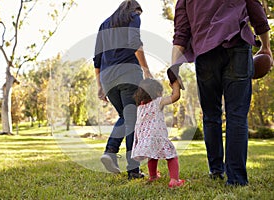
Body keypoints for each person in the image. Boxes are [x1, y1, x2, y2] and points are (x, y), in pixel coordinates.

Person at [171, 0, 273, 186]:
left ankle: (216, 170)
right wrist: (266, 46)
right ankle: (236, 178)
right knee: (237, 114)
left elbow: (181, 33)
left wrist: (174, 67)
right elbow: (256, 11)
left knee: (211, 115)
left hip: (205, 51)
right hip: (237, 46)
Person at [93, 0, 153, 179]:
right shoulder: (133, 16)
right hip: (128, 73)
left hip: (107, 77)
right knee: (132, 120)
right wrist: (146, 70)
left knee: (125, 117)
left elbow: (97, 57)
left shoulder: (104, 24)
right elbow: (135, 42)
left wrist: (99, 85)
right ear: (135, 9)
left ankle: (110, 152)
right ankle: (133, 170)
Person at [131, 78, 185, 188]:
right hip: (158, 136)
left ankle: (153, 176)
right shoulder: (158, 102)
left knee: (152, 155)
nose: (162, 94)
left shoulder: (140, 107)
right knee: (172, 156)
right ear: (155, 92)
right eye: (160, 91)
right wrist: (175, 86)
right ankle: (174, 180)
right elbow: (175, 97)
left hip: (145, 138)